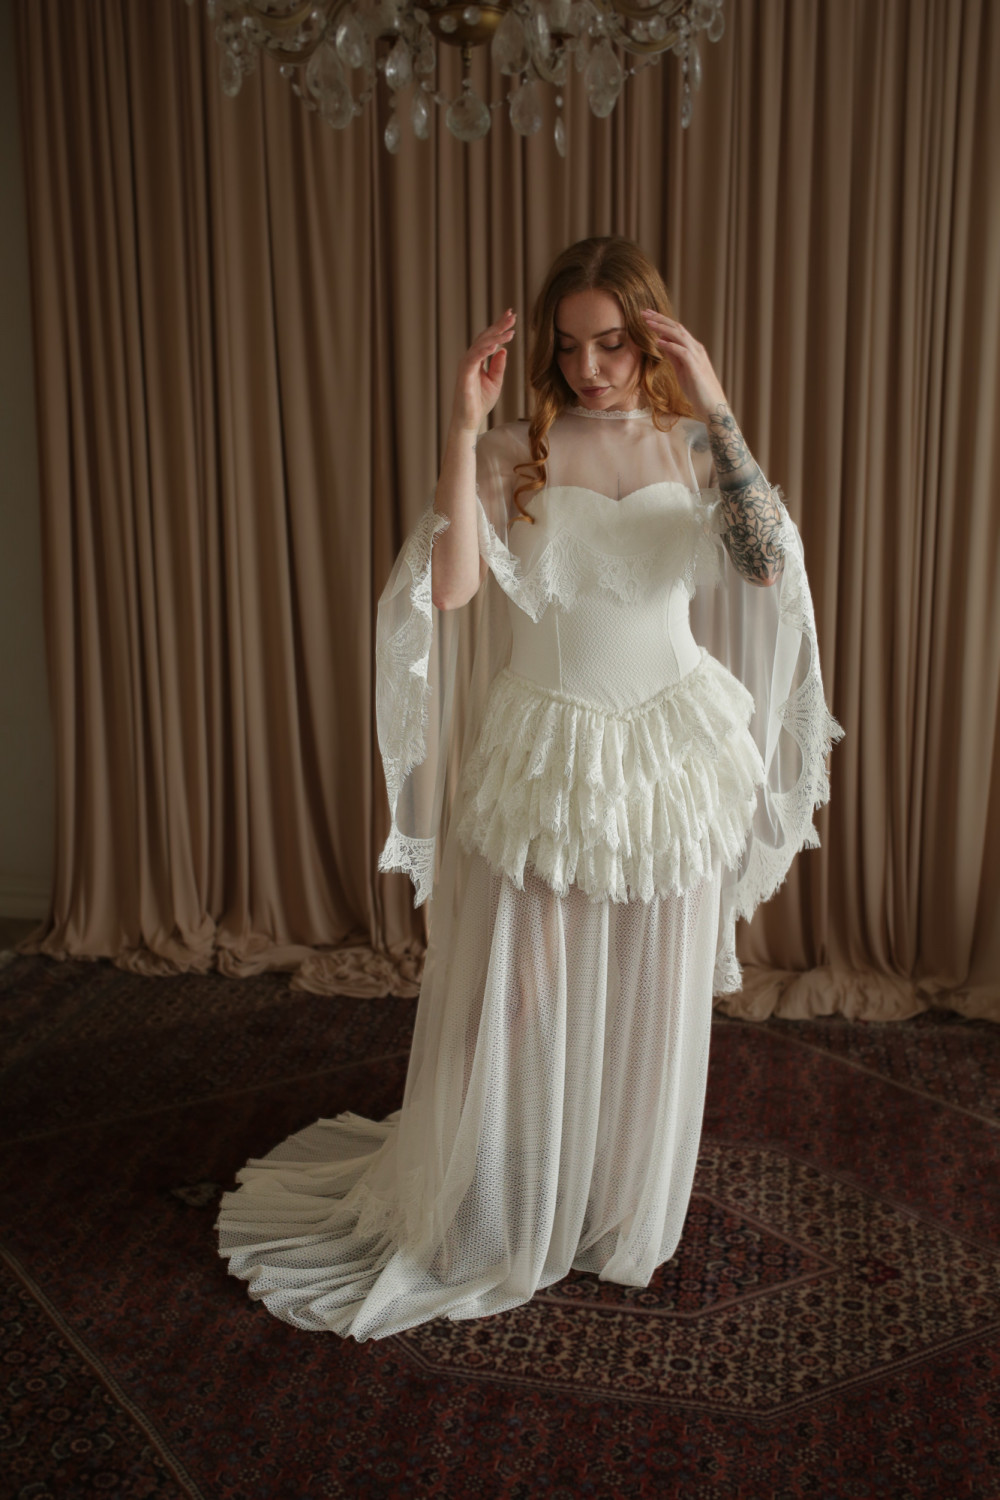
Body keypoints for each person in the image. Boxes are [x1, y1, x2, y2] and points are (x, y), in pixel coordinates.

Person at [216, 237, 841, 1341]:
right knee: (520, 991)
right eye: (570, 345)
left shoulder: (698, 446)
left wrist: (716, 405)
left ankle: (612, 1207)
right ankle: (493, 1206)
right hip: (551, 741)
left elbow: (762, 563)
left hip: (672, 745)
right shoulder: (518, 448)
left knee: (653, 988)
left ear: (651, 339)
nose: (590, 367)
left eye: (613, 344)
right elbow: (454, 589)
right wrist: (462, 429)